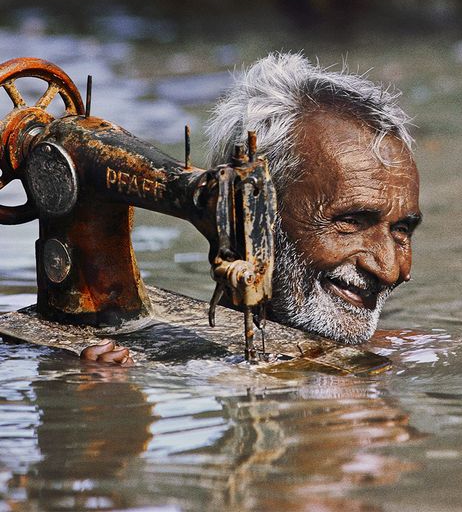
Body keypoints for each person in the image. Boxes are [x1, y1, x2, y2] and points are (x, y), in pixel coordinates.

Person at [82, 52, 421, 364]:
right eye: (351, 221)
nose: (391, 270)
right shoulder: (120, 368)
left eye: (402, 229)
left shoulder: (408, 353)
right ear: (248, 210)